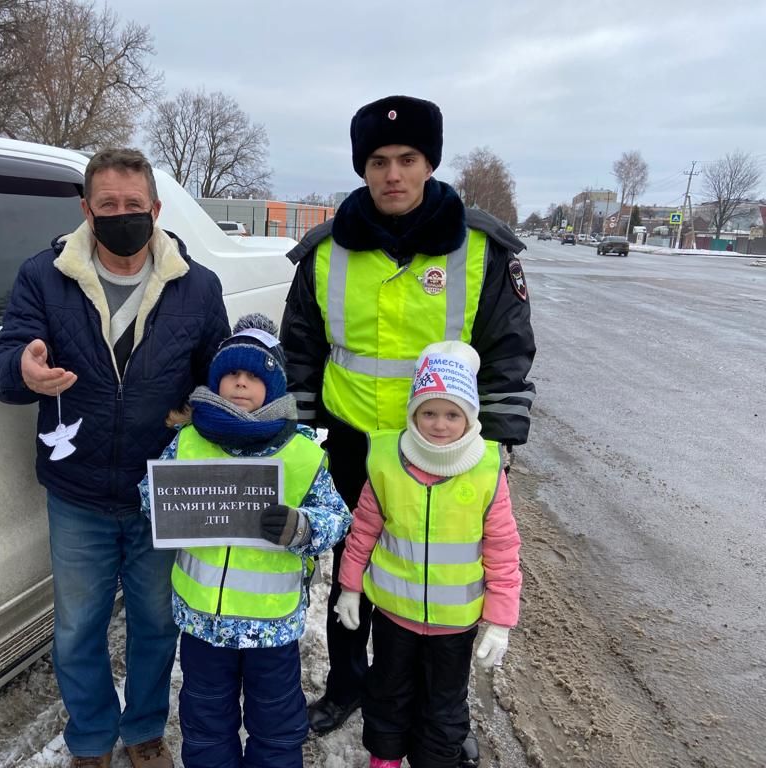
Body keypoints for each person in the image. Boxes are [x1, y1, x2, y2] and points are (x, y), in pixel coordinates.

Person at [280, 95, 535, 758]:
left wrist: (499, 445)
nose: (393, 173)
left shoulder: (480, 249)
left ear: (429, 164)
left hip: (444, 449)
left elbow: (507, 348)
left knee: (444, 574)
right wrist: (302, 434)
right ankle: (347, 684)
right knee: (351, 565)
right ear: (363, 169)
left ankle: (443, 709)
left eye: (407, 159)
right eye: (378, 161)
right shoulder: (325, 252)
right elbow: (302, 347)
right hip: (353, 438)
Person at [0, 148, 230, 768]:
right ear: (86, 210)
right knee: (77, 630)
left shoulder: (198, 286)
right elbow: (2, 362)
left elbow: (218, 378)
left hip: (161, 493)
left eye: (133, 205)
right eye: (108, 205)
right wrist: (23, 369)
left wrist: (221, 408)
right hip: (79, 492)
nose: (122, 216)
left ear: (156, 208)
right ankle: (90, 739)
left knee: (155, 625)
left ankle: (144, 732)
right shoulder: (45, 276)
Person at [139, 313, 351, 768]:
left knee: (276, 725)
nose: (240, 383)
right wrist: (160, 504)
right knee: (205, 721)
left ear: (273, 388)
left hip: (270, 628)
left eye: (253, 376)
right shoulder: (190, 441)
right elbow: (151, 495)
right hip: (203, 625)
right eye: (231, 374)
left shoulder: (302, 451)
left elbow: (336, 518)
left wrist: (302, 527)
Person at [335, 341, 522, 768]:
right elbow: (363, 528)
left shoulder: (487, 470)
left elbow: (503, 550)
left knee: (444, 706)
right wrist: (350, 587)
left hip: (454, 628)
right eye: (429, 412)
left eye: (452, 414)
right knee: (386, 692)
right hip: (393, 617)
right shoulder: (387, 460)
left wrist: (500, 620)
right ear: (413, 413)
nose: (439, 425)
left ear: (469, 417)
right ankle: (383, 759)